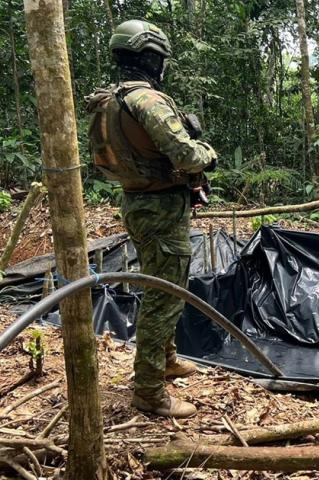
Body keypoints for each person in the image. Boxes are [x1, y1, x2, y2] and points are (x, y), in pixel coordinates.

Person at [86, 19, 218, 418]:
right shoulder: (147, 101)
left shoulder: (107, 100)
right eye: (159, 58)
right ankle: (148, 389)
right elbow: (187, 156)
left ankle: (166, 359)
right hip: (159, 210)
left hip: (139, 202)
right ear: (149, 57)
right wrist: (207, 151)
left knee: (164, 287)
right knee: (163, 297)